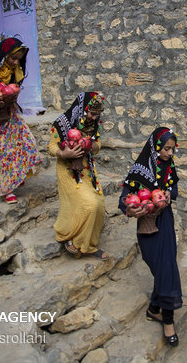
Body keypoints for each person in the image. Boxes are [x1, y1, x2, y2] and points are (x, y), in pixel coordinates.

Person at [118, 127, 182, 347]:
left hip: (165, 222)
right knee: (159, 267)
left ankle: (167, 319)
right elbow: (124, 198)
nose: (170, 153)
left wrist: (167, 194)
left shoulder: (169, 166)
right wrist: (130, 210)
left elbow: (174, 189)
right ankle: (154, 308)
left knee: (167, 268)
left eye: (173, 149)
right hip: (147, 226)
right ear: (156, 147)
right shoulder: (140, 169)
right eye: (166, 149)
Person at [0, 37, 41, 204]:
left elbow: (14, 89)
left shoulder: (15, 72)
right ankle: (7, 190)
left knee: (24, 142)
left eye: (18, 58)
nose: (15, 61)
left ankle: (17, 175)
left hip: (11, 114)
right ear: (4, 55)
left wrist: (11, 94)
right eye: (13, 57)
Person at [48, 91, 109, 260]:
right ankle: (70, 235)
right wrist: (63, 153)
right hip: (67, 169)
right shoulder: (61, 123)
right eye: (91, 113)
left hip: (86, 167)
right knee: (87, 203)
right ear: (82, 109)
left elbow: (98, 142)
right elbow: (51, 146)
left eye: (97, 115)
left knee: (99, 204)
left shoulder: (92, 125)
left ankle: (88, 244)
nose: (94, 118)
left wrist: (91, 146)